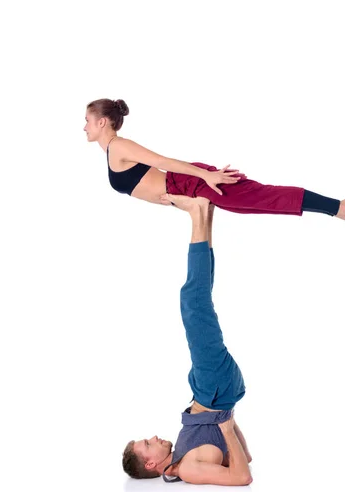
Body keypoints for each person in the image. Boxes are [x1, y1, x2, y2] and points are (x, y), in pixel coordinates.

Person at [84, 98, 345, 228]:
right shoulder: (111, 150)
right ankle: (339, 208)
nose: (84, 127)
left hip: (192, 183)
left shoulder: (119, 146)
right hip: (188, 192)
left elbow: (162, 161)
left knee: (265, 197)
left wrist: (206, 176)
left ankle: (342, 207)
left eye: (87, 121)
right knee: (255, 203)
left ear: (102, 121)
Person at [122, 197, 253, 485]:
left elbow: (242, 457)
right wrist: (227, 426)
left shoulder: (183, 455)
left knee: (199, 301)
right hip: (213, 388)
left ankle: (206, 214)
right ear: (151, 463)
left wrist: (226, 416)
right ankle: (197, 213)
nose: (154, 437)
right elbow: (243, 476)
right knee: (193, 303)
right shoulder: (188, 469)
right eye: (148, 443)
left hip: (210, 389)